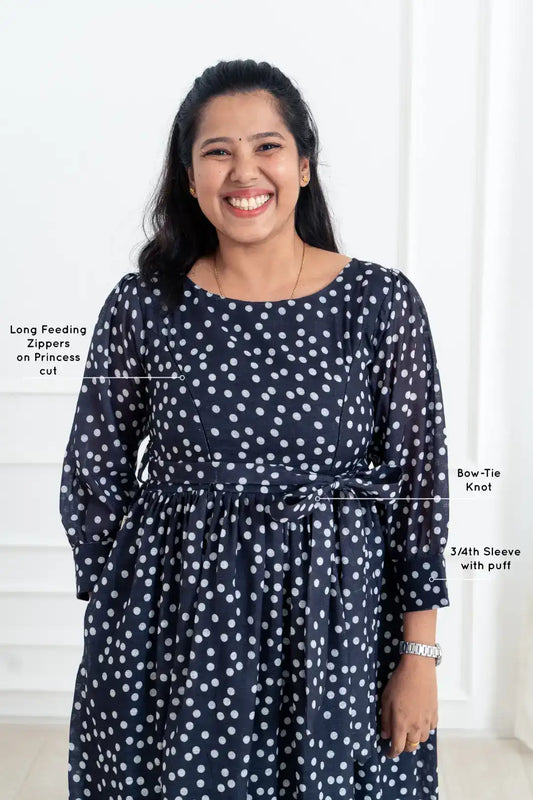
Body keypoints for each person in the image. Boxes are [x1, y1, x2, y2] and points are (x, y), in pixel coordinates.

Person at [59, 58, 450, 800]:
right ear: (189, 178)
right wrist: (125, 615)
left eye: (267, 146)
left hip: (336, 634)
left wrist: (419, 656)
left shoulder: (379, 303)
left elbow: (417, 491)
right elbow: (93, 473)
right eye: (218, 151)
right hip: (177, 635)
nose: (245, 172)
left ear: (303, 166)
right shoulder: (143, 308)